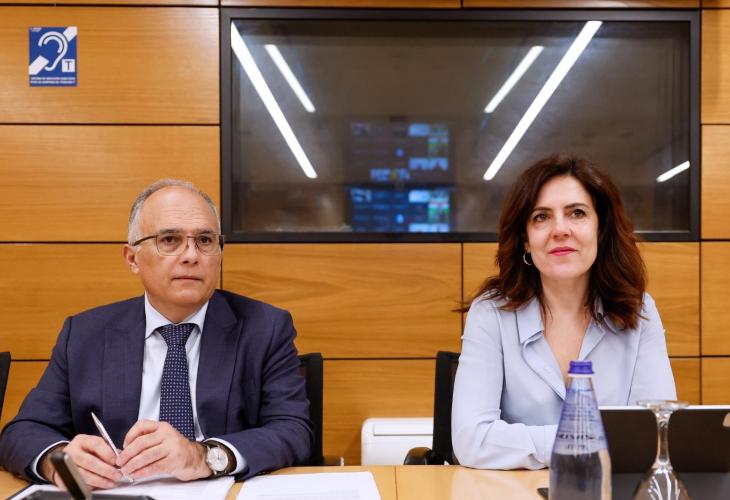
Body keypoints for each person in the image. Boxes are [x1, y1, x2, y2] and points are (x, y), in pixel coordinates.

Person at [0, 179, 312, 488]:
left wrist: (204, 457)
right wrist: (59, 461)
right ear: (132, 258)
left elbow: (293, 431)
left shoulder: (265, 327)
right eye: (170, 240)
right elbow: (23, 432)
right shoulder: (84, 334)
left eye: (205, 240)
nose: (191, 255)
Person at [451, 155, 676, 470]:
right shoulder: (491, 313)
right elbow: (471, 440)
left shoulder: (640, 311)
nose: (560, 229)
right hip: (512, 490)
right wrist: (583, 439)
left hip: (610, 489)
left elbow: (657, 432)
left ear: (600, 229)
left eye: (577, 213)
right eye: (541, 217)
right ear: (525, 240)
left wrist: (537, 443)